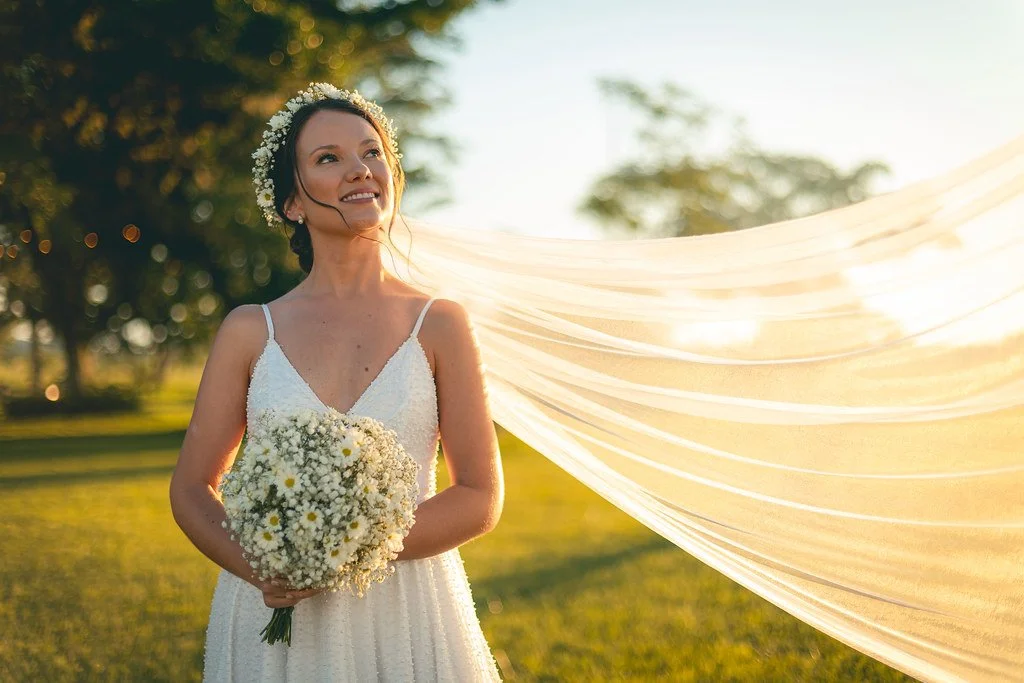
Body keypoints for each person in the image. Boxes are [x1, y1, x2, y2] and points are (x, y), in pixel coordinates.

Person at [169, 83, 505, 681]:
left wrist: (344, 548)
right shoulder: (251, 330)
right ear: (293, 203)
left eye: (372, 153)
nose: (360, 170)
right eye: (329, 158)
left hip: (407, 611)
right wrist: (260, 565)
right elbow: (193, 487)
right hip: (276, 615)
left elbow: (479, 495)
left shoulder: (441, 323)